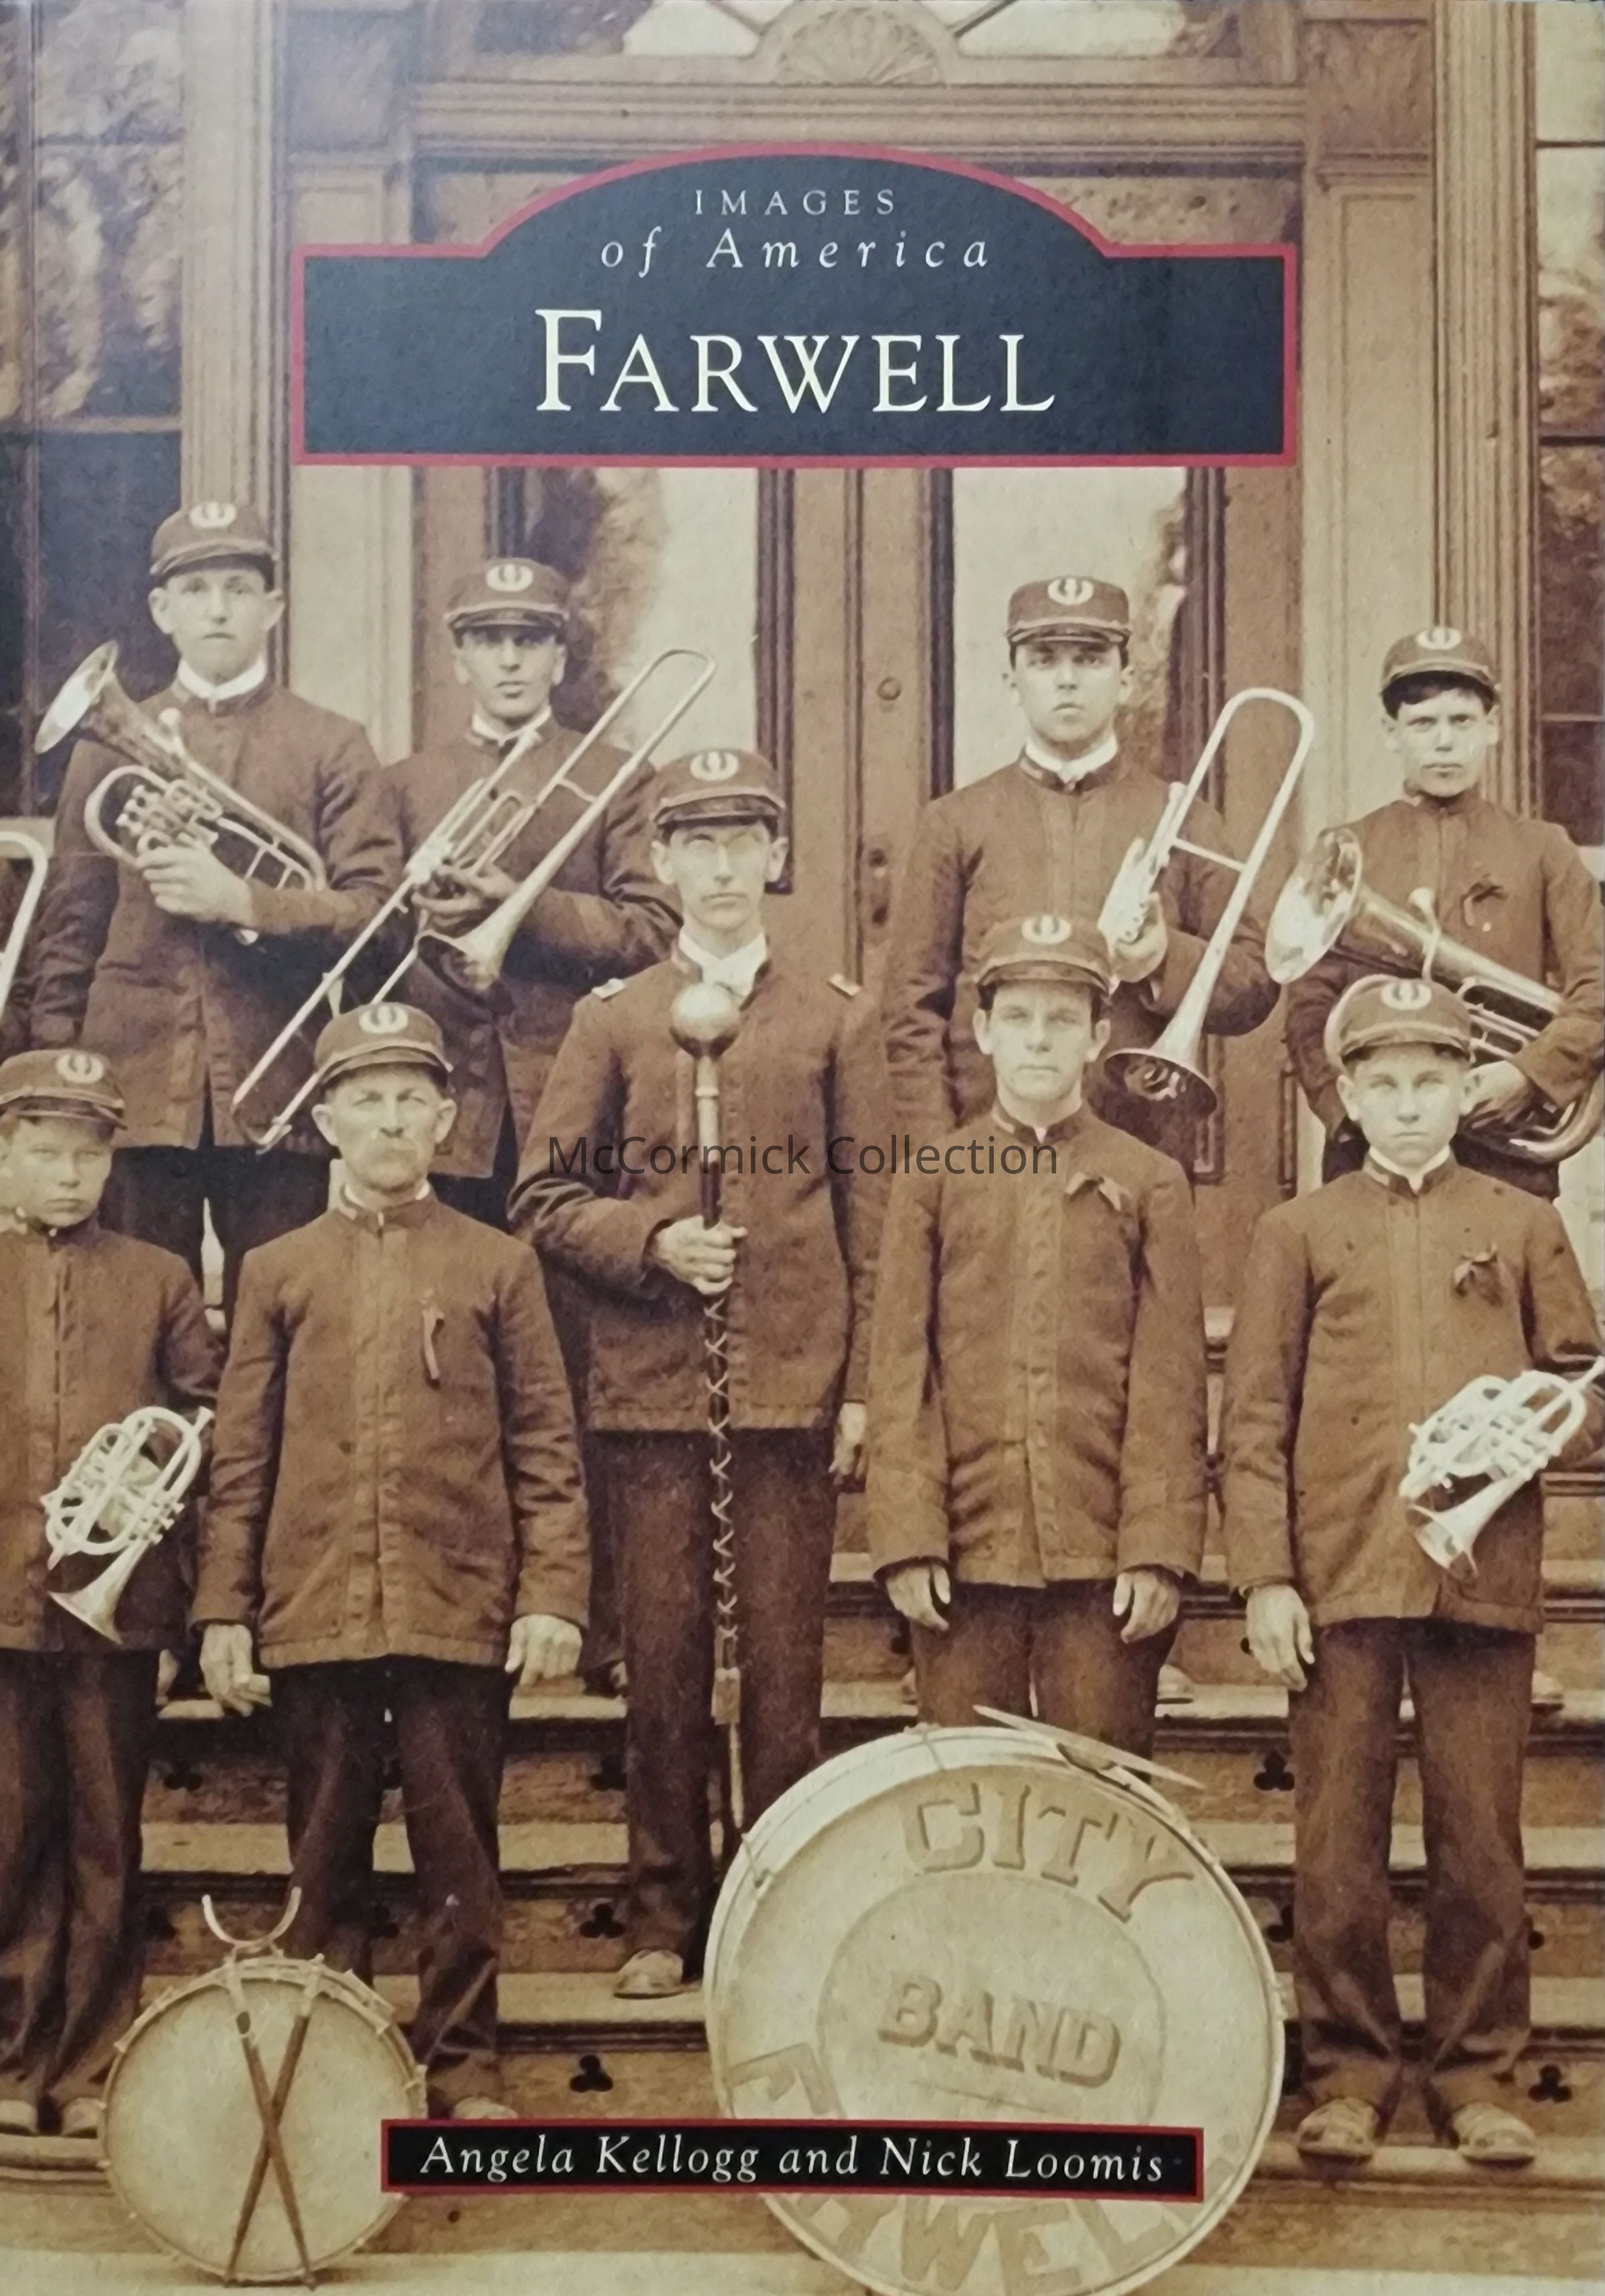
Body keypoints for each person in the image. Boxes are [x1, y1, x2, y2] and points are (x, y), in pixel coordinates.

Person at [511, 748, 887, 1999]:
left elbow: (875, 1215)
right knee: (665, 1667)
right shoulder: (612, 1018)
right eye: (698, 844)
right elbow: (543, 1196)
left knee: (784, 1675)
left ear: (775, 857)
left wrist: (861, 1387)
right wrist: (653, 1241)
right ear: (662, 862)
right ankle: (664, 1916)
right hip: (653, 1389)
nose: (723, 867)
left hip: (789, 1385)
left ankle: (775, 1913)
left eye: (744, 842)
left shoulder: (837, 1016)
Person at [1222, 975, 1604, 2168]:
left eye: (1429, 1080)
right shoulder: (1295, 1230)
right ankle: (1347, 2075)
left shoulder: (1522, 1221)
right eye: (1382, 1083)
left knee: (1479, 1839)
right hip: (1339, 1571)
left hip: (1480, 1573)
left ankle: (1476, 2074)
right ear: (1347, 1093)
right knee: (1336, 1841)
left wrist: (1539, 1423)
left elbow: (1586, 1386)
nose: (1405, 1104)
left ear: (1463, 1090)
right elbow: (1255, 1417)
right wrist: (1265, 1576)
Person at [194, 1002, 588, 2120]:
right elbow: (241, 1456)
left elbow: (545, 1444)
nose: (390, 1119)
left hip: (456, 1605)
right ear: (325, 1120)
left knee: (460, 1854)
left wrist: (553, 1595)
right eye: (365, 1098)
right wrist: (225, 1610)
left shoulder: (499, 1263)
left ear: (447, 1117)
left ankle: (464, 2065)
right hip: (316, 1604)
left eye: (412, 1097)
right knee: (322, 1857)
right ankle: (333, 2073)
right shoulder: (278, 1270)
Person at [393, 558, 676, 1692]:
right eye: (488, 639)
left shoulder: (614, 774)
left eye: (530, 640)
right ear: (460, 654)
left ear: (560, 656)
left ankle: (600, 1623)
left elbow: (652, 929)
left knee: (580, 1369)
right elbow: (375, 935)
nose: (509, 659)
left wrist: (519, 908)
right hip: (451, 1106)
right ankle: (461, 1614)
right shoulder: (409, 782)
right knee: (452, 1368)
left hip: (575, 1108)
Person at [29, 501, 403, 1319]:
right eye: (196, 590)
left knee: (282, 1325)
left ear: (273, 605)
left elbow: (377, 915)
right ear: (163, 610)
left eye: (238, 588)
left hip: (275, 1082)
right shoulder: (102, 748)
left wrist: (245, 901)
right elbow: (70, 929)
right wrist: (53, 1072)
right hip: (133, 1083)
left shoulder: (332, 743)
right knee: (131, 1323)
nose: (219, 608)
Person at [867, 913, 1206, 1752]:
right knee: (969, 1793)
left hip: (1102, 1555)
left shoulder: (1150, 1180)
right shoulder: (934, 1177)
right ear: (984, 1031)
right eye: (1017, 1017)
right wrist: (909, 1537)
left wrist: (1157, 1548)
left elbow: (1169, 1382)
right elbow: (902, 1370)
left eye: (1062, 1019)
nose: (1039, 1039)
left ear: (1098, 1037)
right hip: (963, 1549)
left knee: (1103, 1787)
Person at [0, 1048, 218, 2142]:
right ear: (4, 1153)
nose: (69, 1174)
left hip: (115, 1605)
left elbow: (203, 1420)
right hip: (0, 1599)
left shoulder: (159, 1274)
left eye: (89, 1155)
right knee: (6, 1831)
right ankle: (9, 2060)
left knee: (104, 1838)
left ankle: (85, 2067)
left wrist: (154, 1505)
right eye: (46, 1151)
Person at [880, 574, 1277, 1172]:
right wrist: (941, 1160)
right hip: (986, 1157)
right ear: (1013, 682)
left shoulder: (1185, 818)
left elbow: (1254, 987)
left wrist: (1162, 961)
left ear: (1126, 681)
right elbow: (911, 1009)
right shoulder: (955, 822)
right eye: (1043, 660)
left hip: (1138, 1154)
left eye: (1090, 659)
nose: (1067, 680)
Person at [1283, 626, 1604, 1199]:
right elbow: (1311, 1008)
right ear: (1392, 733)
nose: (1444, 742)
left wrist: (1528, 1073)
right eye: (1423, 724)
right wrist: (1347, 1113)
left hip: (1503, 1165)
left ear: (1493, 727)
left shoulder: (1543, 849)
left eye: (1462, 721)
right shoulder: (1349, 849)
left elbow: (1599, 986)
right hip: (1370, 1160)